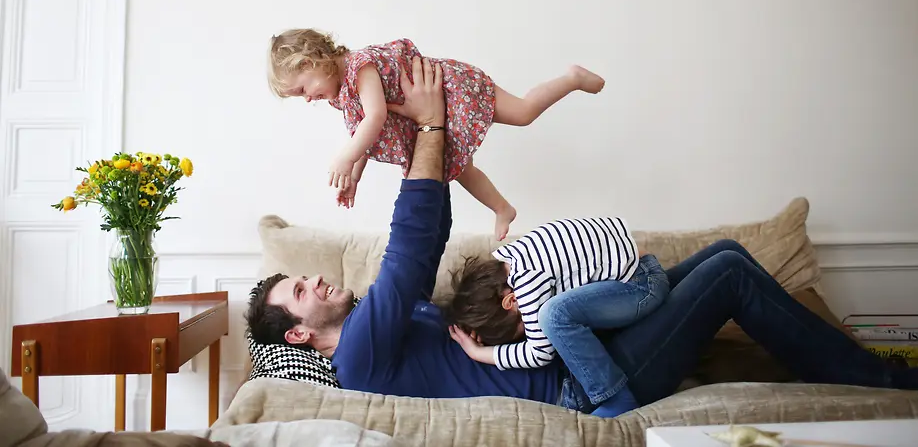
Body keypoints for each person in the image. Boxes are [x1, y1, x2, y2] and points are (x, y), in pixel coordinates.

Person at [245, 56, 918, 417]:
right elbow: (411, 248)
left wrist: (437, 141)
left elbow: (430, 232)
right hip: (579, 383)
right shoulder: (359, 354)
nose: (318, 281)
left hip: (582, 349)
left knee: (726, 256)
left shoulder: (378, 324)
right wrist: (428, 128)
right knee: (729, 275)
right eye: (302, 290)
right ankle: (882, 383)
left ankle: (844, 370)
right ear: (301, 333)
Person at [266, 29, 605, 240]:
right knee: (457, 169)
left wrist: (344, 156)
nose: (308, 99)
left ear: (315, 60)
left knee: (523, 113)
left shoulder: (360, 66)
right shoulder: (341, 95)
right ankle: (503, 208)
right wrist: (354, 177)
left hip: (450, 89)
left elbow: (377, 116)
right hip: (426, 117)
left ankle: (572, 78)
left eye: (303, 89)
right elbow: (364, 134)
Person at [443, 217, 669, 418]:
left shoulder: (526, 284)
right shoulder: (513, 255)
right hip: (639, 270)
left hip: (641, 286)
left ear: (510, 302)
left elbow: (539, 353)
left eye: (520, 328)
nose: (528, 331)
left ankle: (615, 399)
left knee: (552, 317)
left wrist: (479, 353)